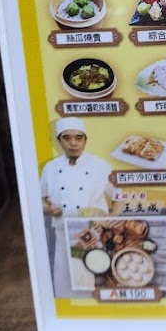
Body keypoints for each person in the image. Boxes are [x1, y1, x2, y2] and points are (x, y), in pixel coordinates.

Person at [38, 118, 113, 296]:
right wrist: (48, 209)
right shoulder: (50, 168)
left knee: (96, 281)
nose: (73, 143)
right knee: (65, 285)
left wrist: (110, 221)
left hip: (96, 235)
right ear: (59, 141)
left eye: (79, 138)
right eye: (67, 138)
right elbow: (40, 199)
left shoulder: (101, 166)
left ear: (85, 140)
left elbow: (119, 197)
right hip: (63, 235)